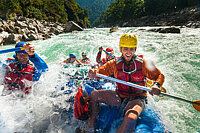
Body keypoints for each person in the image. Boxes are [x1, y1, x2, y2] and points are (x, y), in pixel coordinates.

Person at [87, 33, 165, 133]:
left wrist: (157, 85)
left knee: (131, 117)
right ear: (121, 49)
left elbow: (160, 76)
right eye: (125, 49)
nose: (128, 52)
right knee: (94, 95)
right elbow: (100, 71)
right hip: (120, 96)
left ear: (135, 49)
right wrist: (93, 73)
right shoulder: (114, 63)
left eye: (131, 49)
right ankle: (90, 129)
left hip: (137, 98)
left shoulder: (143, 63)